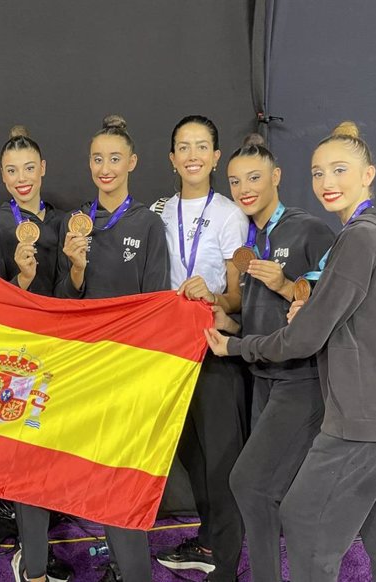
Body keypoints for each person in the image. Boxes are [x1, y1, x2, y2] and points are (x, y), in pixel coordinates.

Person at [205, 121, 376, 582]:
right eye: (317, 173)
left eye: (339, 170)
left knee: (304, 523)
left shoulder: (357, 239)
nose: (327, 183)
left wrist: (239, 345)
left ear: (368, 174)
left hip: (357, 415)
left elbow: (305, 337)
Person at [213, 134, 333, 582]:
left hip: (300, 379)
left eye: (255, 178)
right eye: (235, 180)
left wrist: (287, 285)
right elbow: (254, 313)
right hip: (261, 378)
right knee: (266, 491)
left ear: (277, 177)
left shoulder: (310, 230)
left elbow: (325, 301)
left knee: (249, 484)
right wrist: (226, 322)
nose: (244, 188)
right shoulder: (247, 238)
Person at [56, 114, 170, 582]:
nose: (106, 167)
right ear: (89, 164)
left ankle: (133, 571)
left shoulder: (148, 225)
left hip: (128, 367)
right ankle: (120, 563)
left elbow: (158, 301)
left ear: (133, 163)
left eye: (115, 159)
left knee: (123, 474)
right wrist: (76, 268)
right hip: (86, 366)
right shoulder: (76, 223)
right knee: (97, 474)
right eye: (98, 159)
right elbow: (65, 302)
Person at [153, 115, 248, 582]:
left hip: (212, 349)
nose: (192, 155)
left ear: (215, 156)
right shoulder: (157, 213)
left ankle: (226, 567)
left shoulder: (230, 214)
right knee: (190, 454)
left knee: (222, 460)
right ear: (172, 159)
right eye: (183, 147)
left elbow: (237, 295)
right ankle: (209, 539)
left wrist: (213, 296)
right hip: (169, 353)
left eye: (202, 146)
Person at [0, 126, 68, 582]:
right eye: (11, 171)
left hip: (64, 356)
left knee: (53, 460)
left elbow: (77, 294)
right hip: (18, 362)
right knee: (28, 461)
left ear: (43, 168)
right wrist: (23, 284)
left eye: (29, 168)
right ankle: (33, 564)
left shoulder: (67, 222)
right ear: (3, 178)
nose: (21, 178)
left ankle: (41, 547)